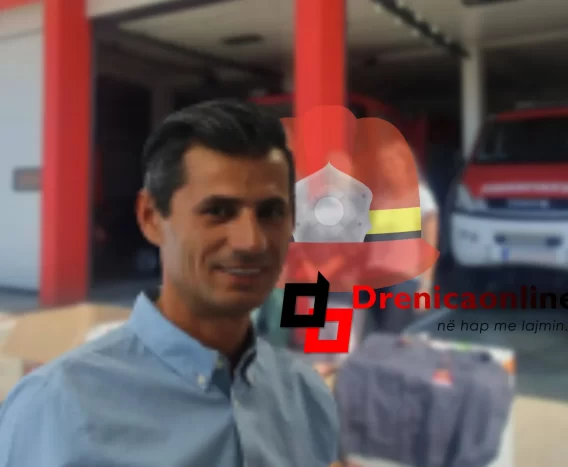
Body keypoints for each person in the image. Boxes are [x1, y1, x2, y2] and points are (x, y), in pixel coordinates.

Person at [0, 100, 340, 467]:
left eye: (270, 212)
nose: (251, 241)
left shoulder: (306, 399)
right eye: (218, 211)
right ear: (150, 217)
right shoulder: (59, 409)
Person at [363, 140, 440, 335]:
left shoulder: (421, 195)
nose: (387, 167)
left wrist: (425, 287)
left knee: (392, 335)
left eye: (392, 161)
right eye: (383, 163)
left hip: (405, 280)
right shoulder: (378, 198)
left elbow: (430, 245)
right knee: (376, 336)